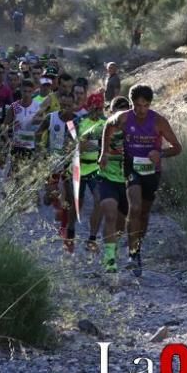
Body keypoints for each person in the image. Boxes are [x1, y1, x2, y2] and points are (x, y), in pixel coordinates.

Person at [99, 84, 182, 277]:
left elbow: (178, 147)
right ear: (132, 104)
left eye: (145, 105)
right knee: (134, 207)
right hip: (131, 167)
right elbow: (107, 127)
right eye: (137, 105)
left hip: (152, 171)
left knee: (143, 213)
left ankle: (137, 247)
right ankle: (132, 254)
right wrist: (104, 153)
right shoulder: (124, 117)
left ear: (150, 104)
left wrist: (160, 153)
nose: (141, 110)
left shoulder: (159, 121)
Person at [37, 92, 78, 252]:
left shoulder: (77, 120)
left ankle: (64, 227)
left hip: (68, 163)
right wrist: (40, 150)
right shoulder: (51, 118)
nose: (66, 108)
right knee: (50, 195)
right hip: (51, 161)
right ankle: (53, 203)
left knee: (68, 195)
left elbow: (80, 140)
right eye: (64, 105)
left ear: (73, 104)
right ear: (60, 103)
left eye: (69, 105)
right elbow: (38, 133)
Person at [97, 96, 130, 272]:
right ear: (111, 111)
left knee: (120, 224)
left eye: (125, 109)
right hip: (107, 178)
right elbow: (85, 139)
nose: (122, 113)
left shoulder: (134, 130)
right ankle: (110, 259)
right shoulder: (105, 128)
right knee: (110, 214)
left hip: (126, 181)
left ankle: (112, 247)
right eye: (118, 109)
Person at [76, 93, 106, 253]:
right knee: (76, 205)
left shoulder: (106, 123)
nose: (97, 111)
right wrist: (81, 145)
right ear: (89, 107)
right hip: (79, 168)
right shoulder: (80, 122)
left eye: (100, 108)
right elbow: (72, 146)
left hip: (95, 168)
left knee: (99, 201)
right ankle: (68, 232)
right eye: (95, 108)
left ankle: (92, 238)